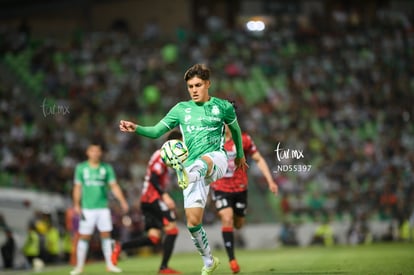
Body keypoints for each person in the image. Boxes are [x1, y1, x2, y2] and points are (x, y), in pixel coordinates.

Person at [119, 63, 247, 275]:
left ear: (208, 84)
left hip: (216, 160)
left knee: (203, 162)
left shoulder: (223, 107)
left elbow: (235, 128)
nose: (194, 90)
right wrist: (136, 128)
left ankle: (186, 172)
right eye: (190, 86)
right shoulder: (181, 109)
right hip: (191, 168)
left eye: (198, 85)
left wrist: (240, 155)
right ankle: (209, 261)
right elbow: (156, 131)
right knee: (192, 222)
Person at [111, 130, 183, 274]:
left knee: (154, 238)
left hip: (147, 200)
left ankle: (120, 246)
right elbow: (154, 179)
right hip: (153, 198)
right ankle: (163, 268)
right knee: (172, 230)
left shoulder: (166, 155)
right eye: (181, 142)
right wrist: (165, 196)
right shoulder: (163, 154)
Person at [210, 124, 278, 273]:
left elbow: (258, 159)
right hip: (220, 187)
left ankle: (235, 225)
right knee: (226, 218)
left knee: (239, 223)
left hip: (240, 188)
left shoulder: (244, 139)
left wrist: (270, 181)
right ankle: (232, 260)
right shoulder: (211, 140)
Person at [70, 141, 129, 275]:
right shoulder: (81, 168)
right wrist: (76, 204)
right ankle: (79, 267)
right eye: (92, 151)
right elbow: (77, 187)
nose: (95, 153)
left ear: (101, 153)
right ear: (88, 152)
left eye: (97, 151)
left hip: (103, 208)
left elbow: (114, 186)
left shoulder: (106, 168)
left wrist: (122, 201)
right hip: (87, 208)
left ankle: (110, 265)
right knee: (84, 236)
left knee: (106, 235)